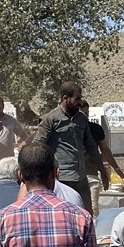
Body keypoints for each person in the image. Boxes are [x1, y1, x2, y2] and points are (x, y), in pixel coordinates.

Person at [32, 81, 103, 213]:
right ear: (65, 98)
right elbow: (38, 147)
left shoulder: (81, 119)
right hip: (61, 180)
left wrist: (102, 170)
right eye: (77, 99)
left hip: (81, 177)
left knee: (87, 213)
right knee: (63, 214)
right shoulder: (50, 119)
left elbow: (91, 146)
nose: (80, 102)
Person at [78, 98, 124, 186]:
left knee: (93, 200)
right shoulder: (71, 130)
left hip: (92, 174)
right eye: (82, 114)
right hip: (75, 175)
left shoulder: (96, 129)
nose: (85, 116)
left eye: (87, 113)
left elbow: (105, 150)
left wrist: (116, 169)